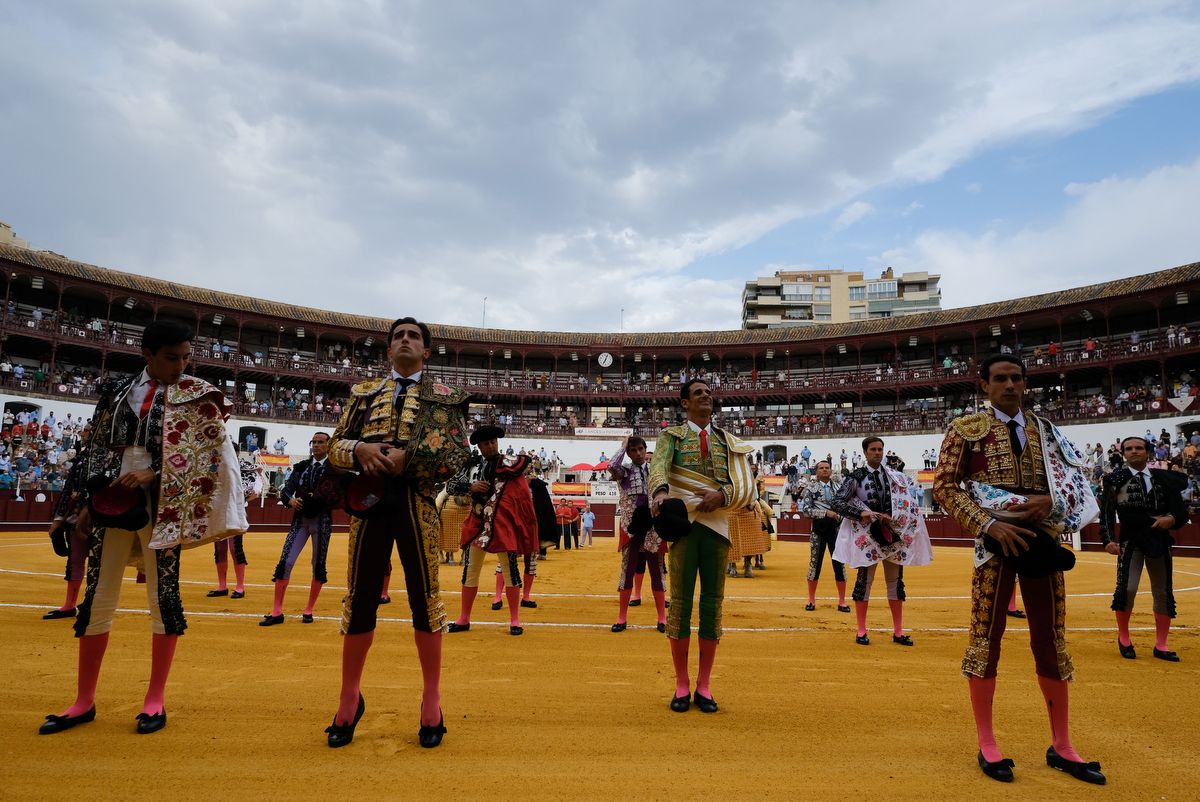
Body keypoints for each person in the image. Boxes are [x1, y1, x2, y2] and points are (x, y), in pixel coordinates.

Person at [39, 319, 246, 736]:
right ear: (147, 354)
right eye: (172, 357)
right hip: (111, 502)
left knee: (162, 596)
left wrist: (156, 473)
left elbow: (213, 457)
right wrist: (81, 504)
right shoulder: (115, 393)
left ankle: (154, 698)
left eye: (186, 357)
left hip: (165, 505)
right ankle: (84, 700)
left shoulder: (199, 397)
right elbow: (95, 450)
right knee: (97, 595)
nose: (181, 366)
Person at [934, 354, 1105, 785]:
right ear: (983, 385)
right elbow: (945, 486)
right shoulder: (965, 430)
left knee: (1050, 638)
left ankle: (1062, 744)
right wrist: (988, 525)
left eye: (1016, 378)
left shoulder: (1047, 432)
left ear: (1025, 383)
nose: (1009, 385)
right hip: (993, 544)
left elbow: (1074, 485)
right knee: (985, 637)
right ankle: (988, 742)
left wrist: (1052, 502)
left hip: (1042, 540)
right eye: (1000, 379)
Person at [323, 317, 471, 750]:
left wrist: (412, 461)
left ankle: (431, 699)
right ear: (389, 350)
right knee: (362, 596)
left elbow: (458, 454)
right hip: (368, 503)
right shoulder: (364, 394)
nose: (405, 341)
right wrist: (360, 449)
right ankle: (349, 697)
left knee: (426, 598)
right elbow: (336, 444)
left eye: (414, 337)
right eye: (398, 337)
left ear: (426, 351)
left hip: (416, 501)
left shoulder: (446, 398)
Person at [650, 378, 755, 714]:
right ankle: (682, 683)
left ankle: (704, 684)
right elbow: (658, 468)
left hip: (717, 525)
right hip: (684, 526)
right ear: (684, 403)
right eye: (698, 393)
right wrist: (661, 493)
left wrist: (723, 495)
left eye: (709, 393)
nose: (706, 396)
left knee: (712, 605)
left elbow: (745, 485)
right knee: (679, 604)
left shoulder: (728, 441)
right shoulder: (671, 436)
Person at [832, 437, 932, 647]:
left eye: (880, 449)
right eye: (873, 449)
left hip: (893, 531)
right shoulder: (856, 477)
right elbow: (837, 502)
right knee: (864, 582)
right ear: (865, 452)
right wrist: (861, 512)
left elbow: (908, 502)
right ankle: (861, 630)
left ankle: (898, 631)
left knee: (895, 583)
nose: (877, 452)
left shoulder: (895, 476)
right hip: (867, 534)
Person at [1100, 437, 1189, 661]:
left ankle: (1161, 645)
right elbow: (1108, 513)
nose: (1134, 452)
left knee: (1162, 592)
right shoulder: (1114, 479)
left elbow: (1180, 512)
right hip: (1131, 541)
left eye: (1139, 448)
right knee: (1127, 589)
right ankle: (1124, 637)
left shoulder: (1164, 478)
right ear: (1123, 454)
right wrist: (1109, 540)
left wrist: (1170, 519)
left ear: (1148, 452)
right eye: (1129, 449)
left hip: (1159, 540)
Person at [447, 425, 539, 635]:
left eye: (493, 442)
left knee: (510, 571)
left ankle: (515, 620)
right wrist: (469, 487)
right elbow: (451, 485)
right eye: (486, 443)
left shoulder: (508, 462)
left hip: (501, 525)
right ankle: (464, 618)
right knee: (470, 572)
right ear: (479, 446)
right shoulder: (471, 465)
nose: (491, 446)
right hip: (478, 523)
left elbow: (522, 486)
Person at [260, 433, 338, 626]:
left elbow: (341, 495)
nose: (317, 445)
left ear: (329, 445)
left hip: (322, 522)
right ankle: (277, 611)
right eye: (314, 442)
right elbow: (286, 490)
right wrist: (291, 501)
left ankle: (309, 609)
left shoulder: (335, 470)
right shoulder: (301, 467)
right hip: (300, 521)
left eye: (321, 442)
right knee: (286, 561)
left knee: (317, 565)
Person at [609, 436, 668, 633]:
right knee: (627, 572)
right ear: (628, 452)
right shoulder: (623, 471)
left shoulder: (655, 471)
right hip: (631, 527)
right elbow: (611, 465)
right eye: (633, 450)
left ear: (645, 449)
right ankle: (621, 617)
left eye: (641, 449)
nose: (638, 453)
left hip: (653, 526)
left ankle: (662, 618)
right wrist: (623, 446)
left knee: (657, 571)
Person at [208, 457, 262, 599]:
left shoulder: (245, 468)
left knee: (234, 548)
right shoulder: (215, 466)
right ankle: (222, 586)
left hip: (236, 512)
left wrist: (241, 499)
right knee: (220, 549)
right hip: (219, 511)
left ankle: (240, 587)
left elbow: (256, 491)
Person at [799, 460, 849, 612]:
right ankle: (811, 600)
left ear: (831, 471)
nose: (825, 470)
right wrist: (826, 513)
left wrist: (840, 515)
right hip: (818, 532)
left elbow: (845, 506)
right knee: (815, 565)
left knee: (839, 565)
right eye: (821, 468)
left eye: (827, 468)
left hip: (836, 531)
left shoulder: (839, 488)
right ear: (816, 471)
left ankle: (842, 601)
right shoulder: (810, 488)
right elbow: (806, 511)